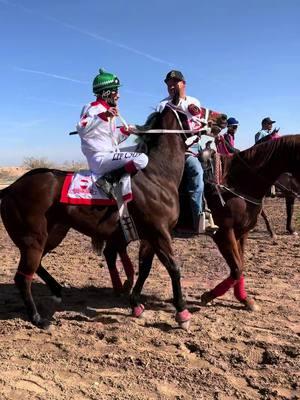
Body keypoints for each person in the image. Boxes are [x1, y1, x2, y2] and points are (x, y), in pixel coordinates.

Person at [76, 69, 148, 196]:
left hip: (110, 154)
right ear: (106, 92)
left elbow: (111, 141)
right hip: (99, 159)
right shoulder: (92, 107)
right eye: (116, 90)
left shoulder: (107, 110)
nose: (118, 95)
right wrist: (103, 116)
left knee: (144, 149)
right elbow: (81, 129)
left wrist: (124, 132)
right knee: (142, 159)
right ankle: (108, 179)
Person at [156, 70, 208, 234]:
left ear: (183, 84)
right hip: (175, 151)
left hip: (195, 147)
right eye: (169, 84)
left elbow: (198, 119)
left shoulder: (193, 101)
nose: (171, 86)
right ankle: (195, 219)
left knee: (210, 170)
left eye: (175, 83)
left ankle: (207, 213)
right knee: (195, 171)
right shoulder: (163, 105)